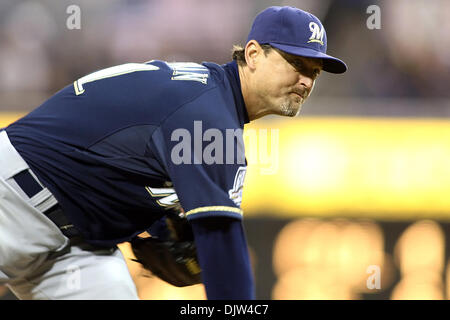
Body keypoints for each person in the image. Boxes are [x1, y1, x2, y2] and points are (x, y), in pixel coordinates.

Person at [0, 6, 346, 300]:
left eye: (314, 72)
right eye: (296, 63)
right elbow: (221, 242)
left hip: (78, 245)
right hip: (13, 202)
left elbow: (117, 160)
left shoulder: (210, 101)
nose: (306, 81)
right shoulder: (209, 116)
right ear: (253, 54)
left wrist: (158, 227)